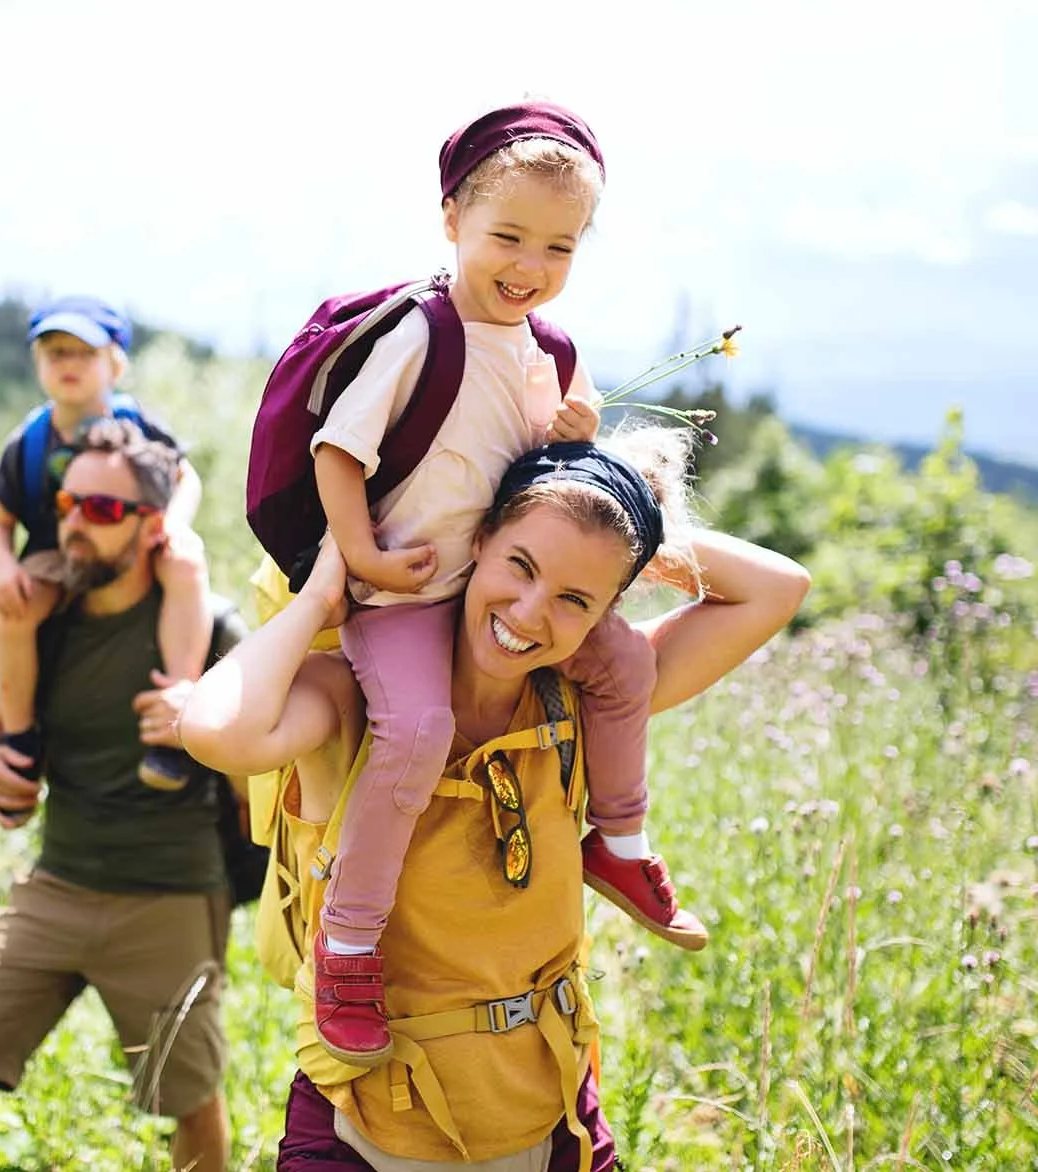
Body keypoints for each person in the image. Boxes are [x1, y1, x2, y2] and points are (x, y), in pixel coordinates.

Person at [181, 432, 811, 1169]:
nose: (531, 612)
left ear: (605, 612)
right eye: (521, 564)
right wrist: (323, 594)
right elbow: (216, 730)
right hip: (365, 1125)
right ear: (475, 540)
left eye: (575, 598)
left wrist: (618, 514)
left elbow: (779, 587)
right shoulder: (354, 697)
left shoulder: (585, 703)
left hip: (552, 1121)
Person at [293, 100, 699, 1067]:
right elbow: (337, 451)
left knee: (624, 667)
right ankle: (347, 945)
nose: (529, 266)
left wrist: (576, 426)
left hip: (494, 591)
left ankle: (621, 841)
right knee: (417, 730)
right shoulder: (419, 336)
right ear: (451, 221)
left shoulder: (547, 347)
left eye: (558, 248)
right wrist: (363, 559)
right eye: (506, 237)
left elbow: (571, 438)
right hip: (404, 593)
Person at [0, 420, 242, 1172]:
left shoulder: (210, 629)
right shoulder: (48, 621)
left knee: (192, 1101)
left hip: (170, 895)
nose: (76, 523)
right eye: (68, 503)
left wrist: (205, 732)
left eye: (104, 510)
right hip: (57, 886)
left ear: (153, 527)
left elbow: (266, 766)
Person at [0, 295, 213, 792]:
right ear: (37, 363)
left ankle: (174, 710)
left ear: (115, 363)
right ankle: (19, 737)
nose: (69, 365)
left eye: (83, 353)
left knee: (187, 563)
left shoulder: (139, 425)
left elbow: (185, 476)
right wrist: (5, 570)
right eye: (55, 353)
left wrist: (174, 523)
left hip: (132, 544)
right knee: (15, 612)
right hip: (55, 553)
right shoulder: (28, 440)